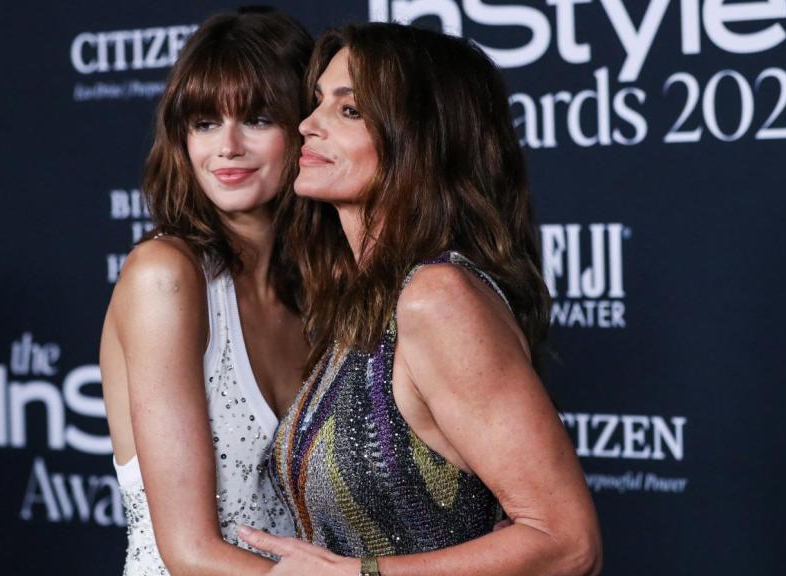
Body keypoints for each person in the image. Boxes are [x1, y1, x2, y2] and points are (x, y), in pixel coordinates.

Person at [240, 23, 602, 576]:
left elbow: (568, 543)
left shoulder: (437, 297)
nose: (308, 126)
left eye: (350, 111)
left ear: (419, 138)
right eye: (316, 104)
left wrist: (360, 575)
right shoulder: (365, 302)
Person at [99, 9, 312, 575]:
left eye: (259, 118)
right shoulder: (165, 276)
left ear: (305, 127)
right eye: (204, 123)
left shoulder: (322, 296)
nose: (228, 147)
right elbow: (189, 551)